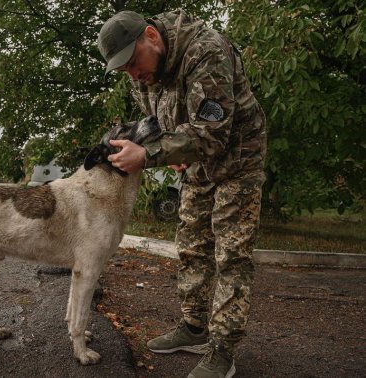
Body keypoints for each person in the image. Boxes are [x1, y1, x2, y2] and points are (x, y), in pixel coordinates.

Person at [97, 9, 267, 378]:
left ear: (151, 37)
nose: (132, 75)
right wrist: (171, 150)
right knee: (191, 245)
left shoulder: (205, 52)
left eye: (132, 62)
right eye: (122, 69)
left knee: (231, 254)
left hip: (239, 161)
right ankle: (193, 327)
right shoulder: (143, 71)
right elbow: (161, 121)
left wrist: (151, 154)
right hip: (198, 165)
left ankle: (223, 350)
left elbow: (212, 132)